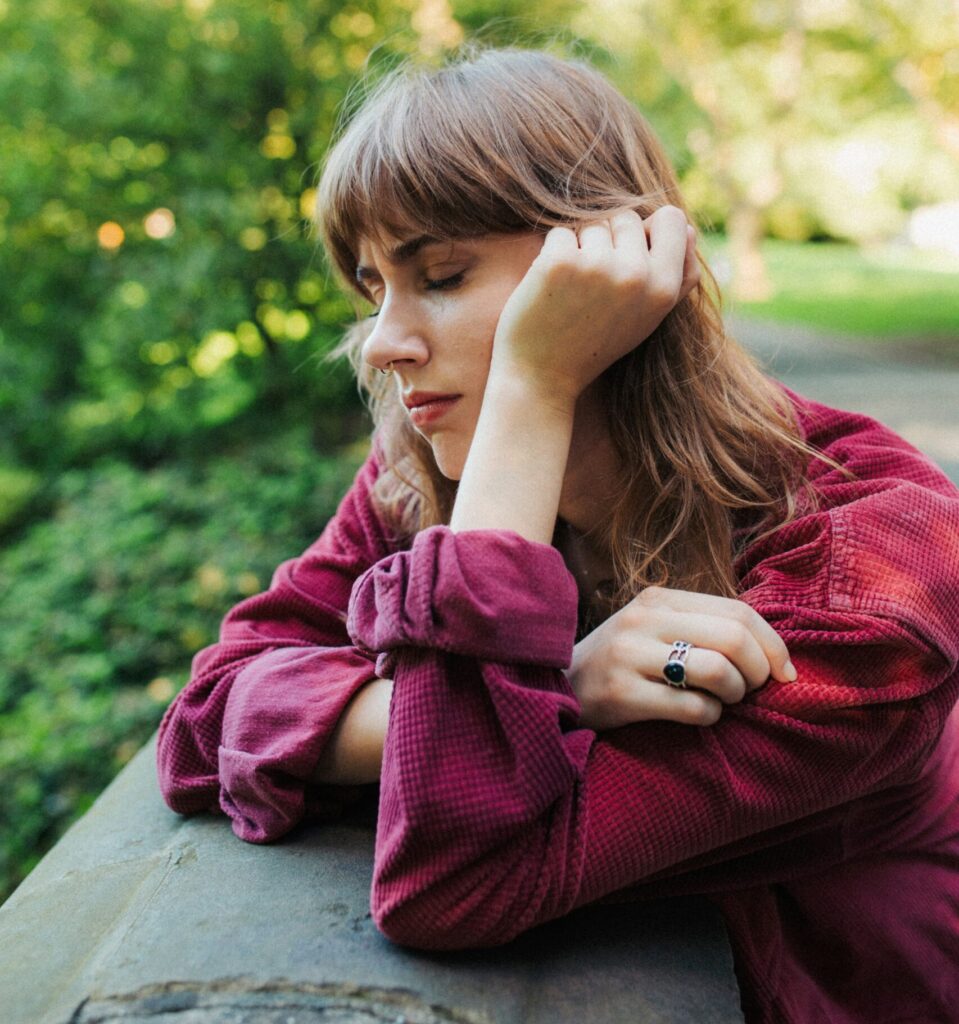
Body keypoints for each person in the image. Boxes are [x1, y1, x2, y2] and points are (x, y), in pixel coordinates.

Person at [156, 47, 959, 1023]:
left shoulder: (875, 566)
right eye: (374, 292)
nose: (380, 342)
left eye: (440, 274)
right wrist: (562, 686)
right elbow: (203, 717)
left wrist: (536, 385)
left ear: (614, 267)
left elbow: (454, 879)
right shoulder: (423, 472)